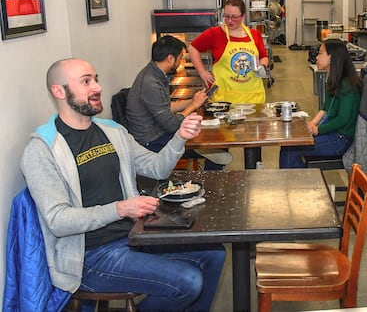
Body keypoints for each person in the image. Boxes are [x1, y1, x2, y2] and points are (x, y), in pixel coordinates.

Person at [21, 58, 226, 312]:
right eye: (86, 81)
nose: (97, 87)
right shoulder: (43, 149)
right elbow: (58, 221)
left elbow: (157, 168)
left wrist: (179, 137)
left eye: (95, 79)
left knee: (214, 254)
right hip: (88, 256)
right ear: (59, 91)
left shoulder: (112, 132)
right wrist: (120, 209)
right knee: (188, 280)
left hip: (132, 237)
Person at [126, 35, 232, 170]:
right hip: (152, 140)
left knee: (213, 138)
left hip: (159, 131)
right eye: (181, 58)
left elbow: (166, 107)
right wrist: (193, 106)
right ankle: (209, 174)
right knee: (210, 143)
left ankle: (209, 163)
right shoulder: (150, 83)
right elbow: (171, 125)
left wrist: (192, 101)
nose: (181, 62)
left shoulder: (156, 74)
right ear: (170, 58)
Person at [279, 39, 361, 168]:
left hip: (341, 139)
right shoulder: (333, 78)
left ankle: (297, 185)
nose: (317, 57)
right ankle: (299, 182)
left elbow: (343, 119)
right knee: (289, 144)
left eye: (321, 53)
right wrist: (311, 124)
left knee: (291, 149)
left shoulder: (347, 83)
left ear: (331, 57)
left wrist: (318, 130)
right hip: (333, 133)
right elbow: (325, 109)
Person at [188, 0, 270, 104]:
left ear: (243, 16)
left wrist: (262, 67)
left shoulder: (254, 34)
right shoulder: (215, 34)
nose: (229, 21)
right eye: (226, 16)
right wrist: (202, 72)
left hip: (253, 97)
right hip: (225, 99)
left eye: (234, 17)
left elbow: (263, 56)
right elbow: (192, 47)